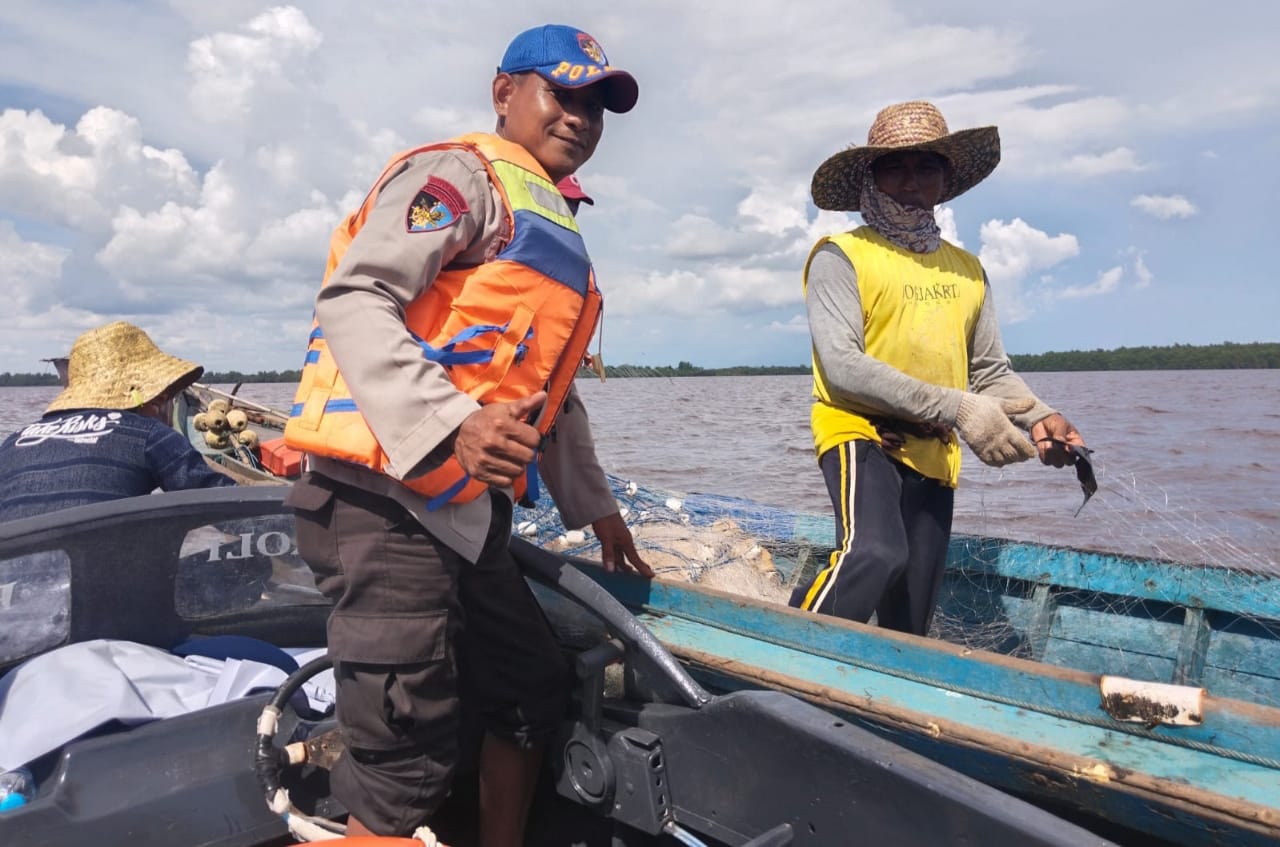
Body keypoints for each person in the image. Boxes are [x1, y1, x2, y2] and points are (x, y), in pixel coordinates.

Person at [281, 24, 649, 845]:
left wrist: (599, 512)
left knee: (529, 681)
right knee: (403, 754)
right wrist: (452, 425)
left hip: (466, 515)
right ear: (505, 93)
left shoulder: (553, 224)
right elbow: (355, 298)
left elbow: (549, 396)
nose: (581, 117)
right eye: (563, 93)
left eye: (597, 104)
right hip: (379, 507)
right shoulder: (458, 179)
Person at [790, 101, 1087, 637]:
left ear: (945, 179)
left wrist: (1042, 417)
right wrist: (960, 407)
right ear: (870, 177)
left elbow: (990, 371)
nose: (911, 181)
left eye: (926, 166)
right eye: (895, 166)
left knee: (912, 607)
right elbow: (842, 369)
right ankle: (782, 655)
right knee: (876, 552)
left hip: (934, 449)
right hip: (860, 434)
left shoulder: (968, 271)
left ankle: (876, 696)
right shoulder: (840, 256)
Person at [0, 321, 235, 523]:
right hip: (101, 575)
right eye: (169, 399)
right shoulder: (148, 434)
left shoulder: (13, 443)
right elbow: (228, 509)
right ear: (157, 401)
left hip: (14, 576)